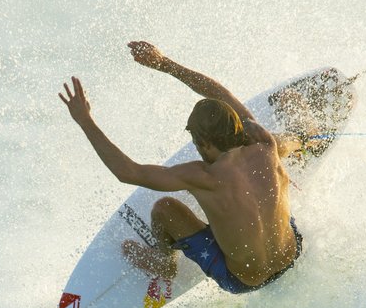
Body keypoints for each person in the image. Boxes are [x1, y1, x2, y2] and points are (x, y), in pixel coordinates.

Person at [59, 41, 308, 294]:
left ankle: (164, 262)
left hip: (242, 280)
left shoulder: (201, 176)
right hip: (292, 253)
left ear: (203, 143)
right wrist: (165, 63)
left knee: (164, 209)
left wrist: (84, 120)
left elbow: (128, 172)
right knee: (289, 144)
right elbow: (223, 97)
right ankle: (304, 140)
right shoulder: (266, 145)